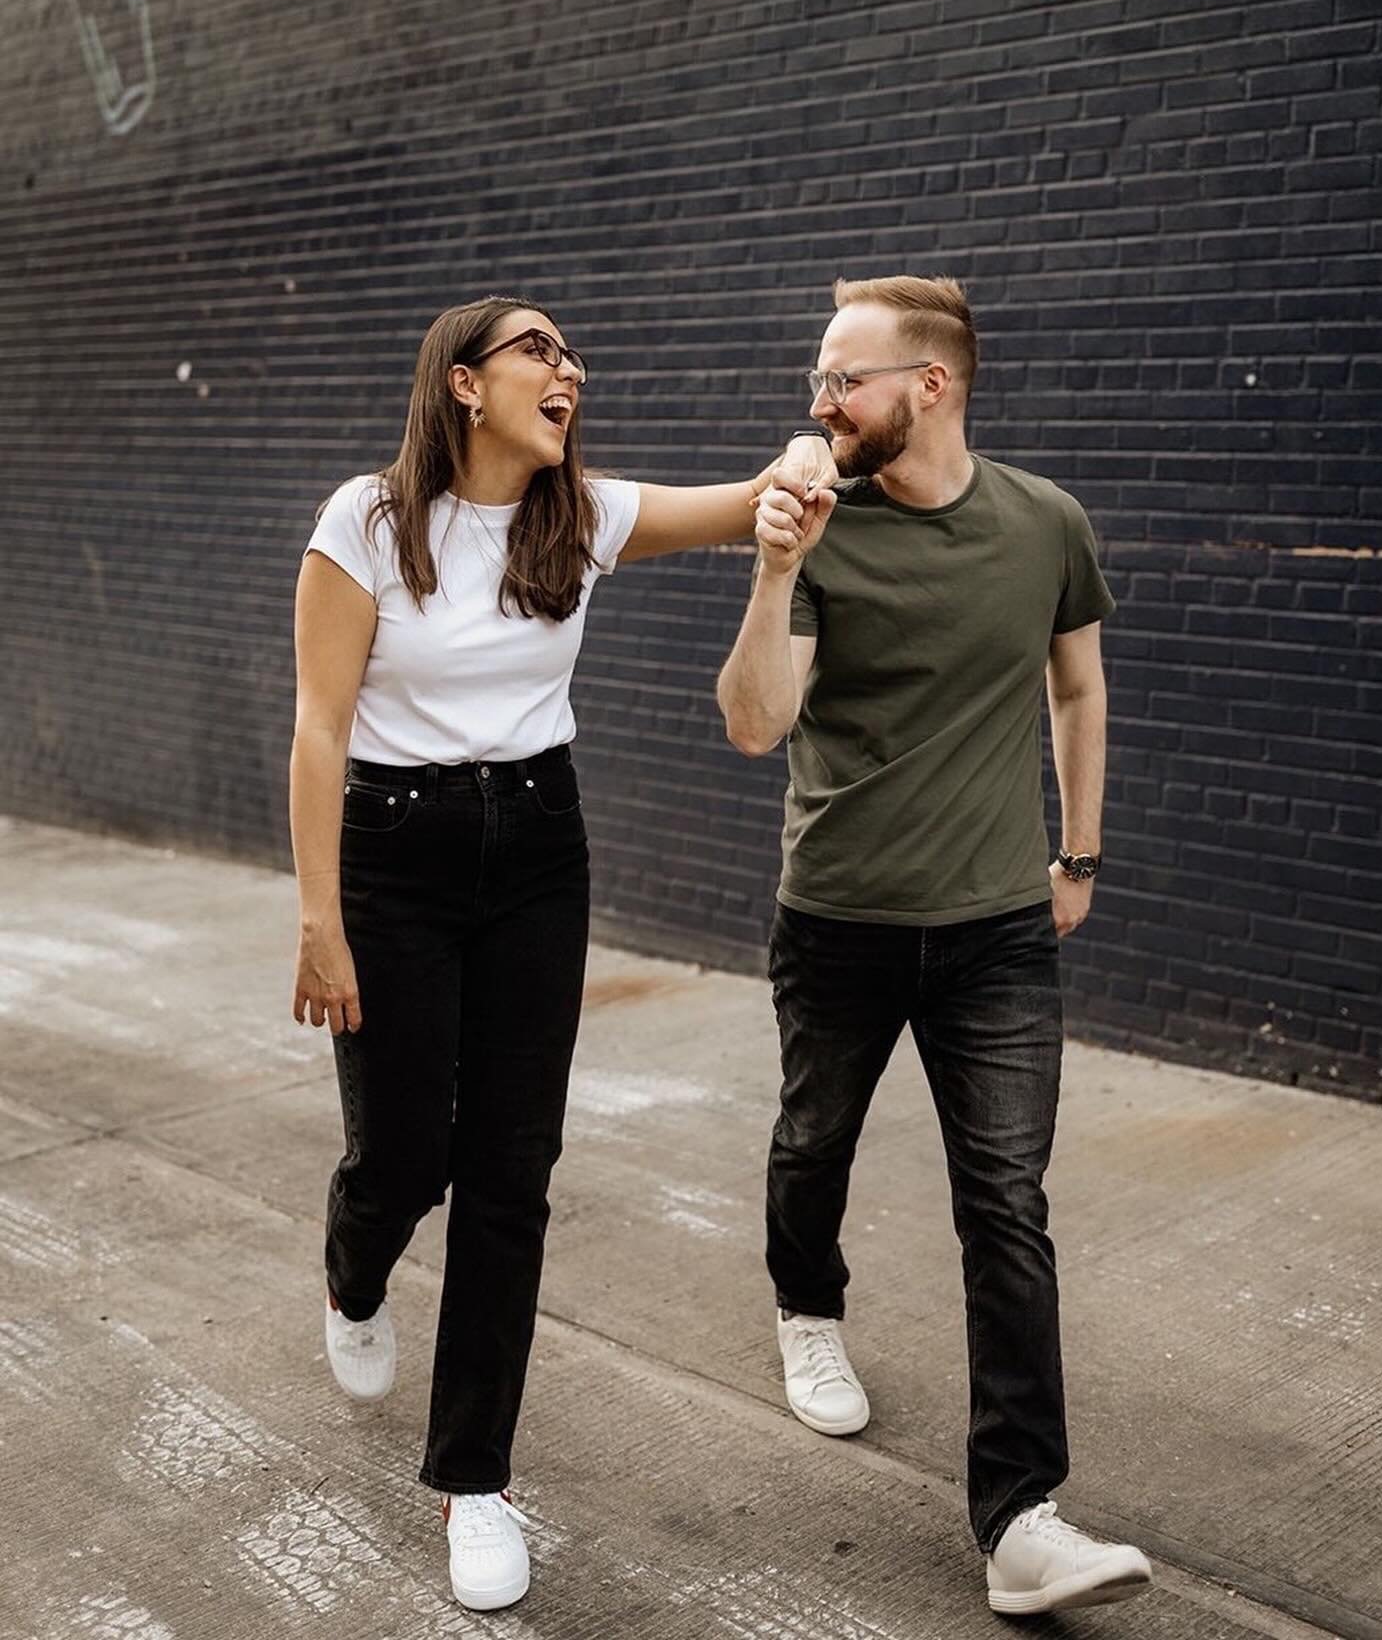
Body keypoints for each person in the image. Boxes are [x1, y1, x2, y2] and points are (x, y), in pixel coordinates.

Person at [289, 296, 834, 1613]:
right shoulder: (367, 521)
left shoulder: (579, 516)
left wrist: (820, 448)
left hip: (538, 844)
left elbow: (752, 498)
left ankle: (475, 1476)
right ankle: (354, 1274)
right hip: (392, 851)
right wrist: (321, 920)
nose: (568, 370)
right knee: (404, 1156)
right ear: (466, 385)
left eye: (572, 353)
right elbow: (317, 725)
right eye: (539, 351)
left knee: (512, 1170)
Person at [716, 274, 1153, 1617]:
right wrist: (777, 565)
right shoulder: (816, 526)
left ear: (932, 386)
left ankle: (1021, 1517)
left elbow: (1075, 684)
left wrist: (1077, 853)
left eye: (846, 376)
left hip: (998, 934)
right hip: (838, 918)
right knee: (813, 1144)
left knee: (1006, 1208)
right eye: (820, 379)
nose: (821, 399)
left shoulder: (1045, 525)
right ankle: (807, 1309)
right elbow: (753, 721)